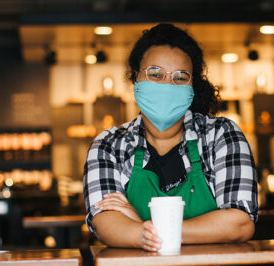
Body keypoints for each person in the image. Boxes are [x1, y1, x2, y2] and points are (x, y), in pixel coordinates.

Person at [83, 23, 258, 252]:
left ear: (193, 86)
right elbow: (105, 221)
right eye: (155, 74)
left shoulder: (222, 136)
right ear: (135, 78)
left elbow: (240, 222)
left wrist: (143, 228)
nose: (167, 84)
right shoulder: (109, 146)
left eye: (179, 77)